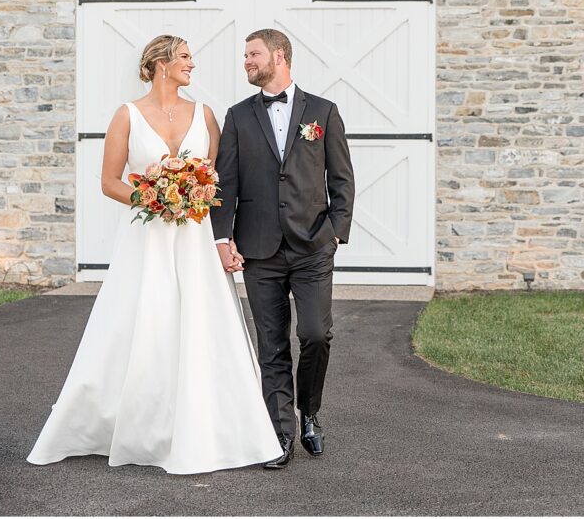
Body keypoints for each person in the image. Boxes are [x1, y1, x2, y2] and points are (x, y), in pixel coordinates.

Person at [26, 34, 283, 474]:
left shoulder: (205, 115)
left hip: (194, 240)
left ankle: (208, 429)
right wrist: (155, 199)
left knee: (200, 325)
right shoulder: (127, 115)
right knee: (143, 321)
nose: (192, 65)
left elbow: (218, 182)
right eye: (185, 57)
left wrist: (212, 221)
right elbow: (110, 182)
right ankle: (131, 425)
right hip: (146, 239)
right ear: (161, 63)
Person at [210, 28, 355, 469]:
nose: (246, 62)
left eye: (253, 54)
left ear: (279, 55)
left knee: (315, 334)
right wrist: (222, 238)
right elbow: (226, 183)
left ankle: (309, 412)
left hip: (313, 245)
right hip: (259, 249)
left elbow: (342, 178)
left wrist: (335, 231)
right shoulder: (237, 116)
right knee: (271, 344)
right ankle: (279, 435)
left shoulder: (323, 112)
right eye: (245, 56)